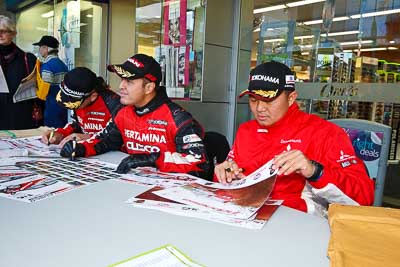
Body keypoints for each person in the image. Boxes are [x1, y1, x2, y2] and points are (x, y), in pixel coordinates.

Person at [214, 61, 375, 217]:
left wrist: (314, 171)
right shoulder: (246, 130)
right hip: (246, 218)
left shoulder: (325, 133)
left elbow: (364, 198)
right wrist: (225, 173)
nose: (260, 108)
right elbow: (231, 178)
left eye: (268, 100)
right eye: (253, 100)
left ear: (291, 98)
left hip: (298, 226)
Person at [60, 54, 208, 177]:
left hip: (170, 193)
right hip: (133, 184)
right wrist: (80, 148)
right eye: (122, 79)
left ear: (149, 87)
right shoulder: (123, 112)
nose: (121, 86)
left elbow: (199, 163)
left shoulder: (178, 118)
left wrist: (153, 159)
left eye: (129, 81)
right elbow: (104, 141)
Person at [41, 67, 122, 147]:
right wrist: (60, 133)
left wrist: (88, 137)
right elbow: (76, 125)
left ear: (93, 96)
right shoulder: (82, 102)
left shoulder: (115, 104)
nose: (71, 105)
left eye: (73, 100)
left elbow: (119, 138)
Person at [0, 15, 37, 130]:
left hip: (19, 116)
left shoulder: (27, 59)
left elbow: (37, 89)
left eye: (3, 31)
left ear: (13, 33)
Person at [33, 35, 68, 128]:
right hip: (63, 105)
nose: (39, 50)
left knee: (50, 133)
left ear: (46, 48)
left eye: (40, 47)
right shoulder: (62, 64)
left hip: (51, 106)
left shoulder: (47, 66)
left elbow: (44, 90)